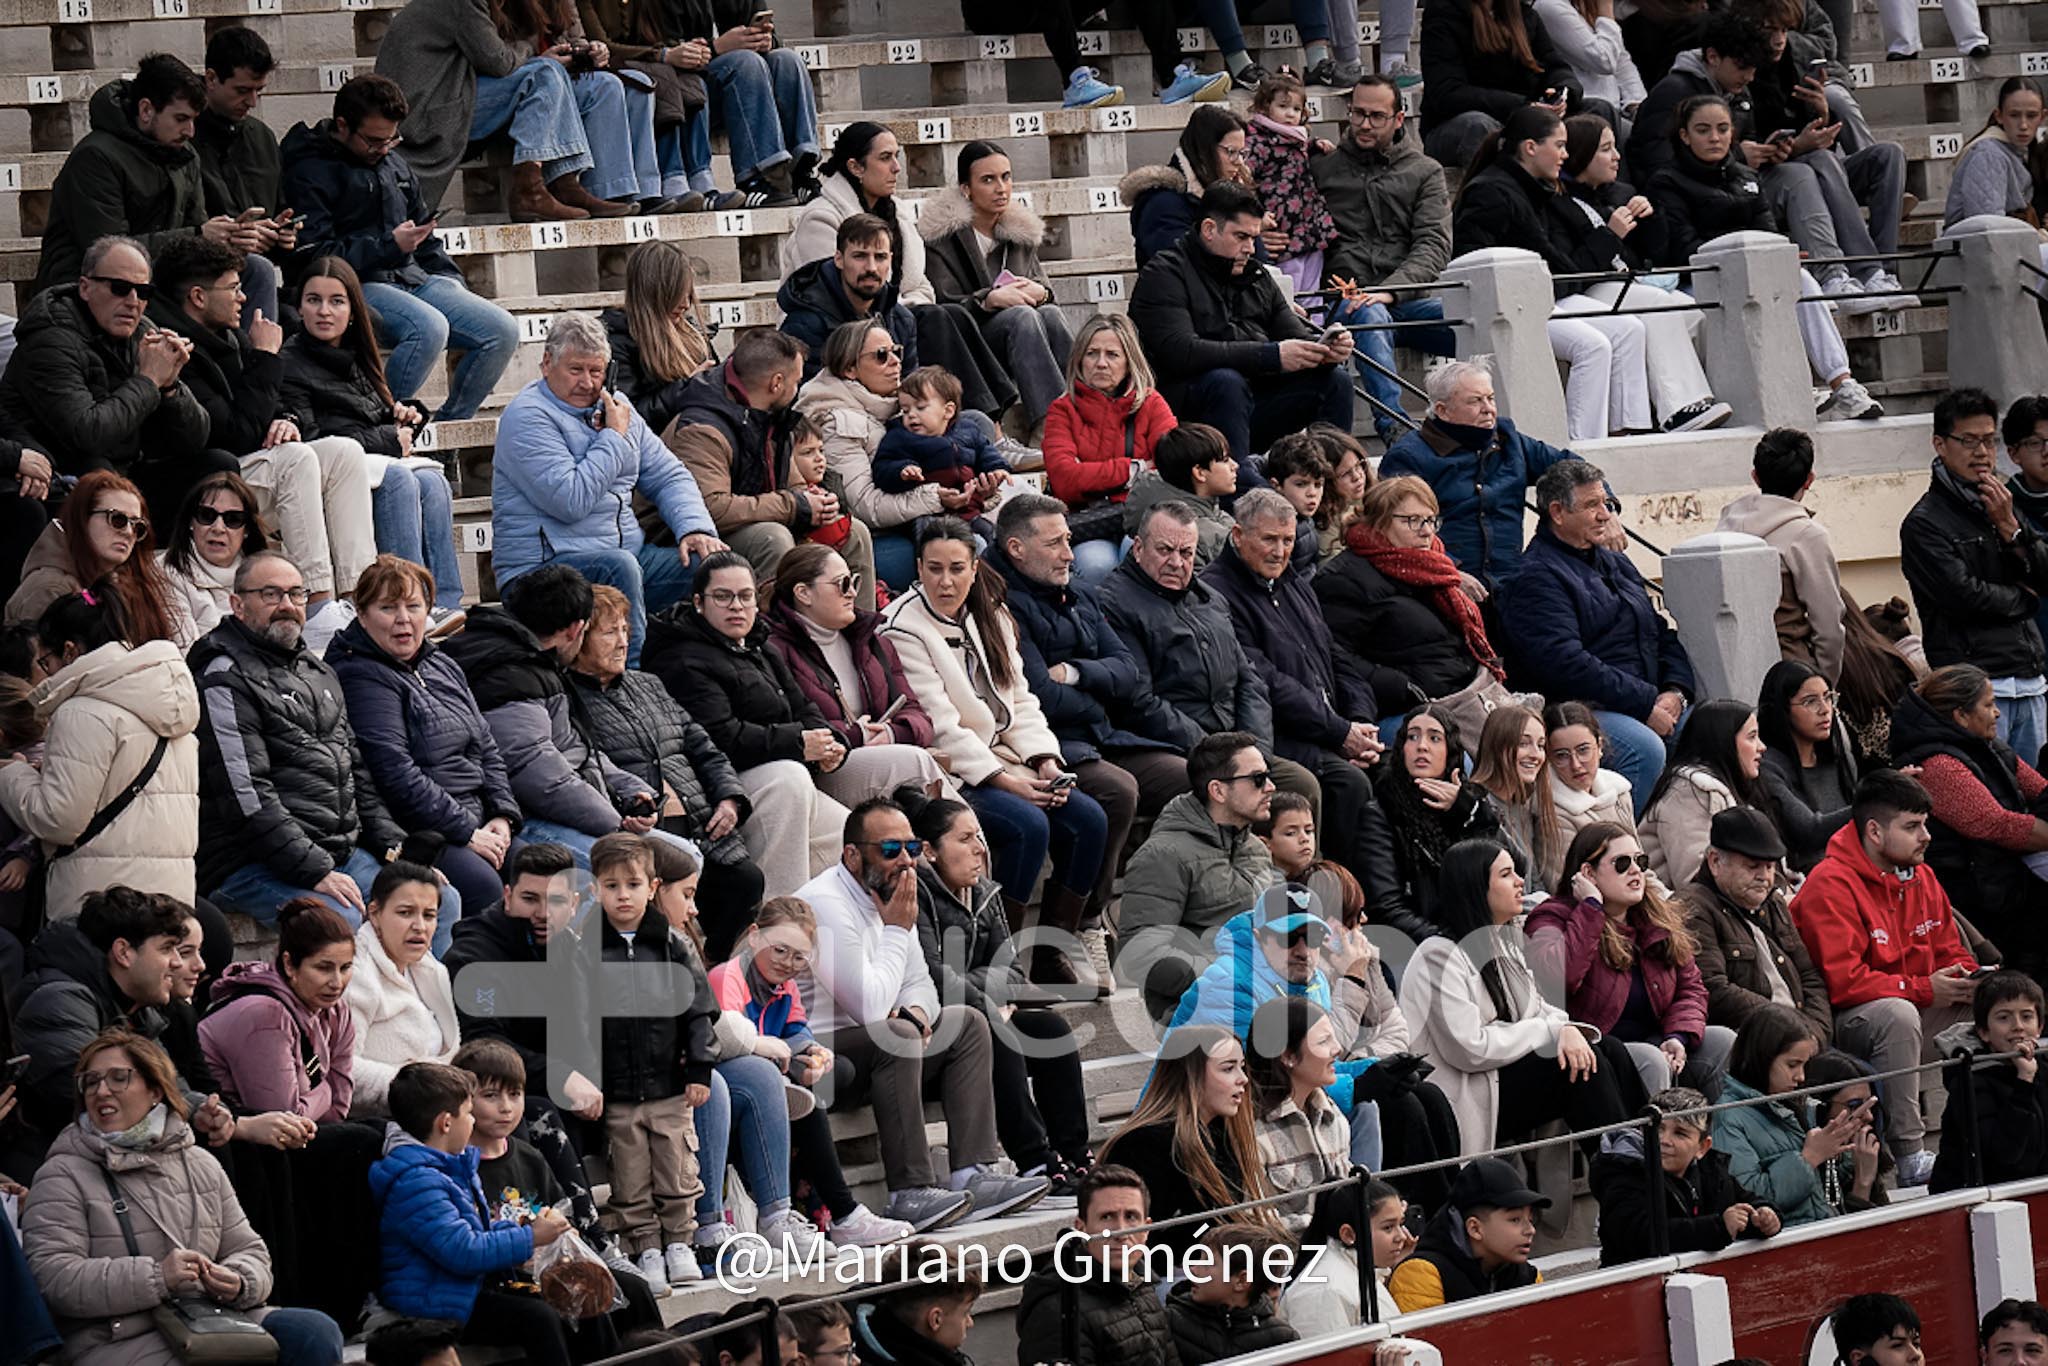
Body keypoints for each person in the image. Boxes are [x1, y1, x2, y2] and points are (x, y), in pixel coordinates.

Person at [20, 1028, 345, 1366]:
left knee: (313, 1332)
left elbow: (250, 1250)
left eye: (119, 1078)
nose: (101, 1091)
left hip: (212, 1320)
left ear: (156, 1090)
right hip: (120, 1336)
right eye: (90, 1082)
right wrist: (157, 1277)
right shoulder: (63, 1173)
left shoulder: (200, 1162)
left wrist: (238, 1280)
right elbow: (53, 1279)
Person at [800, 798, 1051, 1229]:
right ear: (853, 855)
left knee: (967, 1022)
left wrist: (916, 1014)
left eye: (912, 848)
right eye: (890, 849)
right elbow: (869, 1007)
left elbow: (922, 986)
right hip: (823, 1058)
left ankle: (973, 1172)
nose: (905, 861)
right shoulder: (826, 902)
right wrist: (898, 930)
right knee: (895, 1032)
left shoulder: (893, 892)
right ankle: (909, 1191)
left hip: (883, 1051)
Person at [882, 517, 1108, 983]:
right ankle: (998, 960)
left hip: (1009, 757)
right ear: (918, 568)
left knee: (1089, 819)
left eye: (956, 569)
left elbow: (1020, 700)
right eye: (934, 569)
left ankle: (1051, 953)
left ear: (974, 568)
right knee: (1027, 825)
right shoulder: (902, 628)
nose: (945, 582)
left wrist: (1045, 762)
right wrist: (1007, 783)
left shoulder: (992, 615)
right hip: (956, 771)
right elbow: (941, 727)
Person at [192, 551, 457, 932]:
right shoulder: (223, 675)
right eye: (271, 595)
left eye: (296, 594)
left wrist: (396, 850)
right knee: (338, 921)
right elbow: (247, 797)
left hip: (336, 851)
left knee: (439, 900)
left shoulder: (317, 670)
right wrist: (314, 869)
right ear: (238, 604)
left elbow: (358, 775)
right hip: (247, 862)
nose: (287, 605)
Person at [990, 494, 1189, 958]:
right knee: (1117, 792)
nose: (1069, 554)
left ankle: (1164, 918)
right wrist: (1097, 690)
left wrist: (1076, 672)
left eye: (1069, 540)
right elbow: (1040, 695)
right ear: (1017, 548)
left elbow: (1128, 672)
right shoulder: (1002, 603)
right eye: (1055, 543)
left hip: (1100, 735)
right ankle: (1080, 928)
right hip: (1047, 745)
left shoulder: (1076, 591)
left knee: (1189, 776)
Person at [145, 234, 374, 612]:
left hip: (242, 467)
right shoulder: (173, 347)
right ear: (198, 297)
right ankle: (316, 602)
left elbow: (268, 406)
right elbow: (234, 434)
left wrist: (286, 419)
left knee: (343, 452)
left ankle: (358, 598)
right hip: (197, 484)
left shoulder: (228, 335)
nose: (243, 297)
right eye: (233, 288)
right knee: (296, 460)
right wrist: (266, 356)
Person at [280, 76, 522, 422]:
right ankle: (380, 423)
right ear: (342, 126)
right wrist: (388, 246)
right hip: (355, 283)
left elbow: (424, 233)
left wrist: (448, 277)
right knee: (428, 328)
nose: (384, 148)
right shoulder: (309, 169)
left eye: (392, 139)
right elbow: (314, 257)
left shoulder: (393, 163)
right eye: (374, 141)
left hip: (412, 275)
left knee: (501, 329)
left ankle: (447, 427)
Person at [491, 311, 722, 665]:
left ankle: (706, 674)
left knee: (714, 568)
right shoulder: (527, 417)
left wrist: (694, 527)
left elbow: (668, 475)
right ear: (547, 363)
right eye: (576, 370)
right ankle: (632, 679)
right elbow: (571, 500)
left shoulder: (617, 407)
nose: (587, 383)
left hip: (625, 554)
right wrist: (612, 437)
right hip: (540, 573)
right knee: (620, 567)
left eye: (596, 371)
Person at [1640, 93, 1886, 421]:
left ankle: (1843, 384)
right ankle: (1795, 385)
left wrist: (1781, 253)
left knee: (1799, 278)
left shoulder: (1747, 177)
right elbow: (1686, 249)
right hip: (1699, 282)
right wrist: (1745, 257)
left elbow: (1769, 231)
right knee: (1767, 286)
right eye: (1703, 130)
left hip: (1755, 271)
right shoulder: (1665, 182)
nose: (1714, 138)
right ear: (1684, 135)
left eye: (1722, 129)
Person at [1204, 488, 1398, 899]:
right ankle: (1334, 898)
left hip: (1330, 729)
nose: (1280, 551)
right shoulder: (1216, 593)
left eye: (1288, 540)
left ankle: (1383, 899)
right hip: (1280, 735)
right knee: (1349, 783)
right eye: (1269, 539)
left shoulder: (1292, 582)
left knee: (1394, 769)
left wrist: (1359, 722)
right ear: (1238, 535)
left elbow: (1336, 656)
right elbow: (1266, 681)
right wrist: (1339, 732)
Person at [1789, 770, 1980, 1187]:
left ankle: (1996, 1136)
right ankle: (1910, 1157)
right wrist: (1923, 989)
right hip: (1847, 1025)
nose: (1926, 836)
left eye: (1925, 824)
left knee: (1998, 1007)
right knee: (1898, 1014)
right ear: (1874, 832)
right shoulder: (1829, 884)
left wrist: (1969, 978)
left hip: (1910, 1006)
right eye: (1912, 827)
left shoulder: (1921, 875)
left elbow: (1950, 950)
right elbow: (1843, 983)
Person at [1400, 839, 1643, 1160]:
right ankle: (1624, 1175)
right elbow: (1469, 1048)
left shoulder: (1504, 943)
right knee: (1579, 1069)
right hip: (1464, 1097)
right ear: (1476, 888)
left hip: (1499, 1078)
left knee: (1610, 1049)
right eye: (1506, 874)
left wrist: (1564, 1029)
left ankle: (1651, 1158)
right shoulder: (1437, 955)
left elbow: (1540, 1010)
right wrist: (1552, 1030)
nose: (1520, 882)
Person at [706, 897, 918, 1248]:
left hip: (773, 1072)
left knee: (838, 1072)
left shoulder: (784, 985)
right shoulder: (727, 977)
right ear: (755, 936)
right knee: (807, 1099)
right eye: (780, 950)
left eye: (799, 957)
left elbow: (795, 1029)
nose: (787, 963)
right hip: (734, 1081)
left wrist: (811, 1053)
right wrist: (792, 1063)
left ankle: (830, 1211)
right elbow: (732, 1043)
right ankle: (843, 1213)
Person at [567, 583, 765, 957]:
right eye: (609, 632)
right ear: (578, 638)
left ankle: (714, 968)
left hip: (703, 825)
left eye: (625, 630)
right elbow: (586, 769)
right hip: (641, 831)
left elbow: (704, 747)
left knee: (745, 880)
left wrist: (729, 798)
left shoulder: (649, 685)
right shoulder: (568, 697)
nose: (622, 642)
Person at [642, 553, 855, 899]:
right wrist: (800, 744)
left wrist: (831, 745)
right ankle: (777, 915)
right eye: (723, 597)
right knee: (789, 778)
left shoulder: (759, 644)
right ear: (699, 603)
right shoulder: (682, 657)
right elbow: (722, 738)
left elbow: (803, 706)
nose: (736, 606)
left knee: (848, 836)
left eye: (745, 596)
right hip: (721, 783)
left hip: (783, 767)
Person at [1449, 107, 1663, 445]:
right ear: (1531, 148)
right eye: (1560, 145)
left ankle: (1625, 433)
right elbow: (1471, 259)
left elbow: (1556, 263)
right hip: (1506, 306)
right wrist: (1603, 241)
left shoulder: (1532, 190)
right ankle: (1582, 445)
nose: (1565, 154)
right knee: (1592, 346)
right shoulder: (1491, 191)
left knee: (1628, 329)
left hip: (1541, 297)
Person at [912, 797, 1092, 1191]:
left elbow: (1012, 972)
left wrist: (983, 994)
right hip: (933, 1029)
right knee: (997, 1032)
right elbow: (933, 975)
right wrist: (988, 1001)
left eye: (979, 837)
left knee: (1051, 1030)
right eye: (965, 839)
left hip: (982, 1011)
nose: (980, 848)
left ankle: (1075, 1154)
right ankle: (1034, 1161)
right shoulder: (915, 896)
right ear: (929, 850)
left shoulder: (985, 892)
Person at [1097, 500, 1321, 815]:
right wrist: (1215, 752)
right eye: (1165, 550)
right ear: (1138, 548)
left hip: (1232, 744)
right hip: (1169, 744)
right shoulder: (1113, 603)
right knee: (1218, 789)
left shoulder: (1211, 599)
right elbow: (1138, 701)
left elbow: (1250, 680)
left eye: (1186, 553)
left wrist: (1254, 749)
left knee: (1302, 784)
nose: (1176, 562)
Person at [326, 555, 520, 919]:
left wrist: (502, 814)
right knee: (483, 887)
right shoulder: (359, 676)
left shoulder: (440, 662)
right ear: (362, 615)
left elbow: (486, 745)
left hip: (477, 817)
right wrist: (467, 831)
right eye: (388, 608)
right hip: (421, 828)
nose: (403, 619)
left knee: (544, 874)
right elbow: (394, 772)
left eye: (413, 606)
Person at [439, 566, 669, 864]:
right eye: (609, 631)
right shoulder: (510, 671)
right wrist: (615, 825)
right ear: (575, 629)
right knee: (642, 865)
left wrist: (632, 791)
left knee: (682, 858)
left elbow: (574, 748)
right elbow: (536, 773)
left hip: (559, 810)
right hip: (520, 818)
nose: (623, 642)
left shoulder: (534, 661)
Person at [277, 256, 465, 615]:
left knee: (433, 482)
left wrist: (405, 415)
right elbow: (314, 438)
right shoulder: (290, 362)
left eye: (336, 301)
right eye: (314, 300)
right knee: (400, 481)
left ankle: (444, 604)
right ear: (299, 307)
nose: (324, 311)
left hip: (368, 460)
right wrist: (389, 439)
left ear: (352, 311)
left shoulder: (357, 353)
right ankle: (405, 601)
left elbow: (372, 415)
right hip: (332, 472)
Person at [783, 125, 1015, 417]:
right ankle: (982, 420)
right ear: (855, 167)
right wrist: (895, 304)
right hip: (839, 328)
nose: (896, 168)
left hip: (889, 318)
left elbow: (921, 286)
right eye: (885, 158)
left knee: (946, 315)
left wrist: (896, 305)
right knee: (936, 318)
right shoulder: (820, 218)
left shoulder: (898, 213)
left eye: (897, 156)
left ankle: (983, 418)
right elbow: (838, 291)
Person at [32, 55, 282, 323]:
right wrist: (200, 235)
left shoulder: (185, 155)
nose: (190, 131)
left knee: (255, 270)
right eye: (181, 119)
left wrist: (233, 239)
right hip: (101, 287)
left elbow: (195, 232)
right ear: (146, 110)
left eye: (194, 120)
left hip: (160, 277)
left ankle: (257, 348)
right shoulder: (95, 158)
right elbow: (108, 253)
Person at [1129, 182, 1353, 481]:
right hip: (1186, 415)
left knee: (1334, 380)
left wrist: (1325, 350)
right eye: (1241, 237)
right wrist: (1271, 356)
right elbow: (1180, 351)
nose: (1250, 248)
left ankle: (1331, 480)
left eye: (1254, 238)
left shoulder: (1256, 275)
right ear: (1209, 229)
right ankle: (1238, 487)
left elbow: (1293, 335)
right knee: (1226, 381)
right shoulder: (1163, 274)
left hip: (1251, 401)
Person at [366, 1062, 586, 1366]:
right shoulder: (417, 1182)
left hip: (462, 1292)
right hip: (434, 1304)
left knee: (573, 1297)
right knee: (539, 1318)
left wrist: (531, 1228)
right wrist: (530, 1237)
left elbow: (477, 1233)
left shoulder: (449, 1167)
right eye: (468, 1113)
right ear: (446, 1123)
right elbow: (464, 1250)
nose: (472, 1121)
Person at [1501, 460, 1696, 796]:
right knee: (1643, 749)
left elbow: (1659, 631)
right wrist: (1645, 704)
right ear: (1557, 512)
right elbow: (1565, 663)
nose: (1606, 514)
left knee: (1722, 727)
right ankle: (1617, 830)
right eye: (1592, 505)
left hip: (1645, 698)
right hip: (1580, 709)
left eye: (1606, 503)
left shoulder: (1616, 561)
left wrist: (1676, 691)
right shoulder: (1535, 576)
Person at [0, 591, 198, 921]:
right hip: (168, 903)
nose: (47, 673)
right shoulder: (170, 702)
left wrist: (13, 774)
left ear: (69, 651)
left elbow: (58, 821)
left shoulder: (81, 712)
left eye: (46, 661)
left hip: (102, 904)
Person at [0, 236, 217, 522]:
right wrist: (149, 381)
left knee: (215, 467)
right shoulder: (50, 340)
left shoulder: (143, 331)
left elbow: (194, 439)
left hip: (124, 469)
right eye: (120, 288)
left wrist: (170, 388)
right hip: (64, 474)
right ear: (85, 287)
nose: (133, 302)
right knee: (101, 475)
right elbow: (88, 434)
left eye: (143, 292)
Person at [579, 833, 712, 1295]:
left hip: (670, 1086)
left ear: (652, 887)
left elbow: (699, 1011)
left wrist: (699, 1068)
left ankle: (680, 1242)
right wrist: (588, 1079)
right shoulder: (585, 948)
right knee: (629, 1173)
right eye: (611, 886)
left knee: (677, 1167)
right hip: (617, 1091)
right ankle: (646, 1247)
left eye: (633, 885)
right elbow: (579, 1020)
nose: (623, 895)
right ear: (595, 889)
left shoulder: (674, 944)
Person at [372, 0, 639, 219]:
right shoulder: (464, 2)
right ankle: (531, 190)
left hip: (439, 100)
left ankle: (567, 184)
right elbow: (498, 61)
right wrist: (532, 52)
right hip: (425, 116)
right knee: (544, 72)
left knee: (561, 75)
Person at [669, 328, 879, 604]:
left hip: (757, 516)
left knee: (853, 532)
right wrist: (794, 505)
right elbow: (713, 508)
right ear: (776, 383)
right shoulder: (703, 428)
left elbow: (793, 485)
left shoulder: (770, 415)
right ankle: (775, 630)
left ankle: (859, 627)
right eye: (797, 381)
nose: (798, 389)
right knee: (772, 538)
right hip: (690, 536)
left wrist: (815, 502)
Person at [1529, 822, 1735, 1098]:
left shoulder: (1654, 917)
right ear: (1588, 873)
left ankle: (1722, 1127)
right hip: (1598, 1050)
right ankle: (1659, 1128)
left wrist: (1677, 1036)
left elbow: (1691, 988)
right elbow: (1559, 979)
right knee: (1651, 1059)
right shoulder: (1553, 917)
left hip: (1655, 1041)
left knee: (1723, 1041)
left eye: (1640, 861)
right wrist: (1591, 908)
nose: (1636, 870)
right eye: (1622, 863)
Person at [1902, 388, 2048, 765]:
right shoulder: (1924, 523)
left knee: (2038, 792)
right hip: (1973, 688)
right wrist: (2026, 599)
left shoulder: (2000, 503)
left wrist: (2011, 529)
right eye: (1969, 441)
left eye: (1988, 440)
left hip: (2029, 677)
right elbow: (1964, 596)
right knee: (1991, 793)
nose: (1982, 452)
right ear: (1940, 444)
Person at [1313, 76, 1456, 441]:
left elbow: (1433, 245)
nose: (1364, 124)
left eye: (1376, 116)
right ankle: (1395, 427)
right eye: (1358, 113)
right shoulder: (1322, 168)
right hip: (1347, 298)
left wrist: (1390, 291)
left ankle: (1485, 420)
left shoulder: (1425, 171)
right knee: (1369, 313)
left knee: (1473, 314)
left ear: (1398, 118)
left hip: (1408, 299)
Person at [1317, 475, 1513, 737]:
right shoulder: (1344, 579)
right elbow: (1334, 656)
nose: (1426, 531)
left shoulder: (1433, 567)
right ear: (1379, 523)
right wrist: (1402, 687)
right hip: (1407, 711)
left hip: (1463, 696)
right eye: (1412, 520)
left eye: (1431, 520)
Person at [1890, 664, 2048, 978]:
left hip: (2004, 877)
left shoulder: (1988, 746)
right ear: (1961, 716)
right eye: (1988, 705)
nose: (1997, 713)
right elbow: (1996, 825)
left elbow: (2039, 788)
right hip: (1974, 892)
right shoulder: (1937, 764)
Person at [1114, 730, 1283, 1019]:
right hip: (1197, 1015)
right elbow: (1140, 956)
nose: (1270, 787)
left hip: (1259, 1003)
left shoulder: (1255, 848)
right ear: (1218, 791)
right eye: (1258, 779)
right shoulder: (1163, 855)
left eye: (1268, 776)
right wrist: (1228, 977)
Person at [762, 542, 947, 805]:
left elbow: (918, 714)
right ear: (803, 593)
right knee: (914, 762)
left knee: (915, 770)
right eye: (843, 584)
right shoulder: (773, 651)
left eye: (855, 582)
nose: (852, 593)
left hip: (878, 759)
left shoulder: (874, 642)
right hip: (821, 772)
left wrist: (892, 733)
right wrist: (856, 735)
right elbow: (790, 730)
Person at [919, 142, 1074, 444]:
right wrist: (988, 299)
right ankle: (1050, 426)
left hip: (1025, 338)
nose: (1001, 188)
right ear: (966, 189)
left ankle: (1090, 409)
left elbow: (1046, 293)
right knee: (1022, 317)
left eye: (1006, 177)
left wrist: (1040, 292)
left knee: (1051, 314)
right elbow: (942, 304)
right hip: (972, 342)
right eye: (988, 180)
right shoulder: (941, 238)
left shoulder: (1020, 234)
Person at [1377, 361, 1574, 592]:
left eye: (1490, 398)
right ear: (1442, 410)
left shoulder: (1509, 440)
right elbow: (1396, 530)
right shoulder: (1408, 457)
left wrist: (1604, 509)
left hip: (1514, 582)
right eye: (1475, 401)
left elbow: (1575, 471)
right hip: (1444, 585)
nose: (1488, 408)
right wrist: (1449, 572)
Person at [1094, 1024, 1272, 1259]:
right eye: (1228, 1068)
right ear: (1190, 1076)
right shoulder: (1143, 1145)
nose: (1243, 1079)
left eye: (1242, 1066)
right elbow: (1148, 1239)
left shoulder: (1222, 1135)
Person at [793, 318, 936, 588]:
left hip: (909, 519)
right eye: (881, 355)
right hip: (869, 536)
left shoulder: (898, 407)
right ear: (850, 369)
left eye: (896, 351)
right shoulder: (838, 422)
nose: (895, 361)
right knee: (958, 549)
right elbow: (864, 506)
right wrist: (936, 496)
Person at [1041, 313, 1180, 585]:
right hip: (1088, 523)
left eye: (1112, 355)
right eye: (1092, 353)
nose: (1101, 363)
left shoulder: (1151, 403)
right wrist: (1135, 469)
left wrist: (1089, 473)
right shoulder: (1062, 409)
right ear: (1079, 360)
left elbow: (1171, 467)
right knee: (1096, 566)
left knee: (1144, 555)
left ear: (1129, 361)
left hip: (1144, 518)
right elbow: (1065, 480)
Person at [1675, 806, 1834, 1040]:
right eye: (1752, 866)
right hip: (1751, 1042)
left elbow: (1809, 976)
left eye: (1770, 867)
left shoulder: (1773, 902)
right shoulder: (1692, 907)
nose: (1764, 877)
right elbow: (1712, 989)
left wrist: (1815, 1036)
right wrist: (1792, 1030)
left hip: (1802, 1037)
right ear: (1715, 861)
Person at [1589, 1084, 1779, 1265]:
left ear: (1702, 1147)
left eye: (1680, 1133)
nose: (1664, 1140)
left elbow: (1747, 1202)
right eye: (1657, 1128)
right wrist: (1718, 1227)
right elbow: (1639, 1235)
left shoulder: (1712, 1171)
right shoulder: (1623, 1172)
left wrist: (1765, 1217)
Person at [1711, 1005, 1868, 1224]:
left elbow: (1825, 1191)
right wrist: (1809, 1158)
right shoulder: (1728, 1117)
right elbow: (1750, 1199)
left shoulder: (1799, 1105)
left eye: (1804, 1065)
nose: (1801, 1077)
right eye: (1792, 1065)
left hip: (1823, 1227)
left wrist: (1843, 1152)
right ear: (1762, 1058)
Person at [1718, 427, 1849, 686]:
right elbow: (1829, 627)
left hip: (1731, 669)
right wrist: (1824, 685)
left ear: (1755, 477)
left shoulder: (1724, 527)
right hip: (1791, 673)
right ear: (1809, 480)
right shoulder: (1807, 535)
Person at [1013, 1164, 1178, 1366]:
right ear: (1081, 1228)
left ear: (1146, 1229)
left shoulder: (1143, 1285)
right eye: (1106, 1217)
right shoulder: (1058, 1308)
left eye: (1131, 1217)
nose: (1121, 1232)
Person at [658, 1, 820, 206]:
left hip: (747, 87)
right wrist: (716, 47)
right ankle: (756, 179)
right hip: (693, 92)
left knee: (787, 60)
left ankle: (801, 170)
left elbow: (771, 34)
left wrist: (766, 41)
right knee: (745, 61)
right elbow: (665, 51)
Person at [7, 472, 194, 645]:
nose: (129, 532)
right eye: (117, 519)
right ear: (82, 519)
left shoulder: (129, 585)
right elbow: (37, 667)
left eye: (138, 527)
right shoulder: (49, 589)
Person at [345, 863, 461, 1117]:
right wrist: (417, 1088)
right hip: (384, 1119)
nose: (420, 926)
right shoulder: (354, 974)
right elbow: (342, 1068)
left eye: (429, 916)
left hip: (439, 1110)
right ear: (375, 913)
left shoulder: (432, 970)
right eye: (405, 913)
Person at [1930, 970, 2048, 1192]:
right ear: (1983, 1032)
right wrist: (2024, 1081)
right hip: (1975, 1197)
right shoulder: (1969, 1079)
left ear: (2040, 1027)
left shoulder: (2043, 1065)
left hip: (2034, 1188)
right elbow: (2006, 1155)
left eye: (2027, 1016)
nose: (2018, 1026)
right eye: (2004, 1018)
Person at [1243, 995, 1352, 1236]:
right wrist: (1329, 1226)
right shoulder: (1252, 1129)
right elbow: (1254, 1222)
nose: (1337, 1049)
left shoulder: (1330, 1113)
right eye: (1324, 1041)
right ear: (1288, 1056)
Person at [1639, 699, 1777, 889]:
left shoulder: (1740, 787)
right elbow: (1694, 880)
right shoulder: (1690, 791)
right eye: (1752, 737)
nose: (1762, 746)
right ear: (1724, 742)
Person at [1386, 1156, 1547, 1311]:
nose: (1530, 1230)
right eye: (1515, 1220)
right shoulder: (1421, 1274)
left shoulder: (1528, 1276)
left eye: (1530, 1219)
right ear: (1475, 1228)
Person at [780, 215, 921, 387]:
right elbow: (808, 396)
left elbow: (910, 390)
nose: (871, 268)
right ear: (839, 259)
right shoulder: (805, 324)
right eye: (860, 256)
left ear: (890, 260)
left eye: (880, 257)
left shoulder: (902, 320)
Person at [1242, 71, 1339, 303]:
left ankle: (1315, 322)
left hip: (1310, 227)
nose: (1290, 114)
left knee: (1313, 284)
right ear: (1265, 106)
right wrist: (1256, 217)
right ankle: (1293, 321)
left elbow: (1299, 152)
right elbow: (1244, 178)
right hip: (1283, 228)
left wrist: (1316, 145)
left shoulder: (1298, 139)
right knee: (1289, 285)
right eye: (1283, 106)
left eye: (1296, 109)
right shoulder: (1256, 140)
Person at [194, 28, 292, 259]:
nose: (252, 102)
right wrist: (233, 235)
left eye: (259, 90)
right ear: (211, 79)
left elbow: (279, 208)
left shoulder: (263, 137)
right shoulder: (182, 135)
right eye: (242, 90)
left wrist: (282, 232)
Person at [1117, 105, 1252, 269]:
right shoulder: (1162, 203)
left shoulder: (1235, 197)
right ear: (1203, 151)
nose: (1239, 162)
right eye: (1231, 152)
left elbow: (1258, 261)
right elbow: (1180, 266)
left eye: (1242, 153)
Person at [604, 239, 716, 435]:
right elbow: (628, 416)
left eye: (689, 293)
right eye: (676, 294)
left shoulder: (694, 334)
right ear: (653, 292)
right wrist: (687, 388)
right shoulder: (617, 341)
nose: (685, 304)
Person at [1759, 659, 1860, 873]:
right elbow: (1809, 831)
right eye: (1810, 701)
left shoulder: (1837, 756)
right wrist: (1875, 800)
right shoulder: (1768, 766)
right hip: (1814, 878)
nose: (1825, 709)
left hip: (1856, 867)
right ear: (1782, 709)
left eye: (1828, 697)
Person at [1278, 1178, 1412, 1333]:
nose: (1402, 1236)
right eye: (1388, 1227)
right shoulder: (1325, 1290)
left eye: (1401, 1224)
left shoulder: (1356, 1270)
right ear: (1348, 1234)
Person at [1162, 1223, 1298, 1366]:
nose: (1193, 1270)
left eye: (1207, 1263)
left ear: (1241, 1281)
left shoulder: (1281, 1340)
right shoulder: (1171, 1322)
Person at [158, 471, 269, 638]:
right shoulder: (165, 574)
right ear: (191, 522)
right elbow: (188, 650)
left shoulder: (264, 576)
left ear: (247, 530)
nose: (218, 528)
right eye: (206, 516)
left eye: (233, 519)